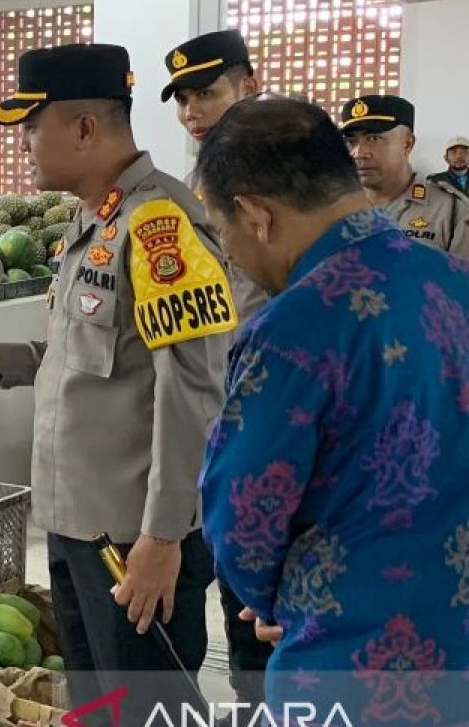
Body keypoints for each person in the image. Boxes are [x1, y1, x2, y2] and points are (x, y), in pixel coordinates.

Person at [0, 44, 240, 725]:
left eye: (33, 128)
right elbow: (91, 359)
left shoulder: (159, 228)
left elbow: (193, 394)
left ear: (86, 129)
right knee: (99, 708)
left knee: (148, 710)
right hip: (75, 524)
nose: (26, 146)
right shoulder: (90, 219)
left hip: (133, 540)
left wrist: (163, 537)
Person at [196, 96, 469, 723]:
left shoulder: (293, 327)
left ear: (255, 215)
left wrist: (281, 601)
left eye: (222, 229)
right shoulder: (452, 280)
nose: (230, 250)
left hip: (351, 665)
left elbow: (242, 513)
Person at [161, 29, 275, 709]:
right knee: (226, 575)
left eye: (206, 92)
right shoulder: (203, 178)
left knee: (261, 590)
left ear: (248, 84)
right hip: (215, 405)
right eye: (182, 100)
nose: (192, 111)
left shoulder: (281, 167)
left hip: (272, 402)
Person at [340, 95, 469, 257]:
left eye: (373, 138)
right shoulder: (335, 210)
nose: (358, 153)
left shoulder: (451, 212)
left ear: (407, 144)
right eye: (351, 142)